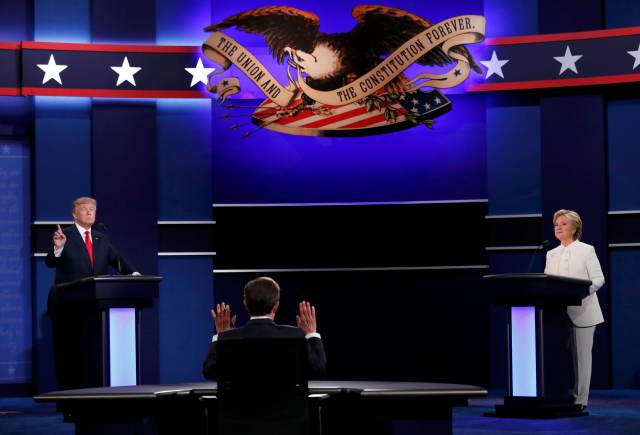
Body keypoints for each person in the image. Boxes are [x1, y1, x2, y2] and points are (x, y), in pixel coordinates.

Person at [45, 196, 139, 389]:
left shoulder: (101, 237)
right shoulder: (64, 235)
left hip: (94, 307)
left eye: (92, 209)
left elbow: (117, 260)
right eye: (84, 209)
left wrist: (134, 274)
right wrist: (58, 248)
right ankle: (68, 398)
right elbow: (50, 262)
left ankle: (92, 393)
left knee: (91, 354)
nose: (89, 212)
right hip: (67, 307)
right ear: (74, 214)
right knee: (68, 355)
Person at [203, 277, 326, 379]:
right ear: (276, 305)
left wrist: (221, 336)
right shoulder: (296, 335)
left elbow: (209, 371)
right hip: (288, 408)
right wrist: (311, 334)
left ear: (245, 304)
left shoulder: (228, 338)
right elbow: (318, 369)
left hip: (241, 409)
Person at [544, 209, 604, 410]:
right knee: (555, 357)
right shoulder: (551, 254)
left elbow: (598, 279)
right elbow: (546, 283)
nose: (558, 228)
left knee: (581, 359)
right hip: (557, 313)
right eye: (556, 225)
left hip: (584, 311)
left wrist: (579, 294)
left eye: (563, 224)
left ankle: (580, 401)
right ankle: (556, 396)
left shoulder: (587, 250)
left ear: (574, 228)